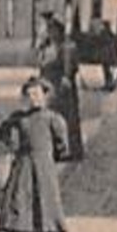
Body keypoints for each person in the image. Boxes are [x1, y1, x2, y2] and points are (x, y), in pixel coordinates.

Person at [0, 77, 70, 232]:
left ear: (45, 96)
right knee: (19, 206)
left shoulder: (53, 119)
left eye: (37, 94)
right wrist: (11, 144)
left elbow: (63, 146)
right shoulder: (20, 118)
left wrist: (52, 159)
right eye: (30, 94)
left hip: (45, 168)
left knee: (48, 208)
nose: (34, 98)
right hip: (23, 166)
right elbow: (0, 132)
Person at [38, 19, 84, 161]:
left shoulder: (67, 47)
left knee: (66, 119)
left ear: (59, 31)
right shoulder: (49, 47)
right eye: (49, 30)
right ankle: (58, 150)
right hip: (51, 89)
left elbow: (68, 68)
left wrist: (66, 78)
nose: (50, 33)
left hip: (62, 89)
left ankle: (70, 150)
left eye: (52, 30)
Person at [93, 19, 117, 91]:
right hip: (109, 54)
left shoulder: (103, 33)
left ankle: (108, 84)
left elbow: (99, 42)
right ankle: (109, 84)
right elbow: (114, 40)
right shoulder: (111, 34)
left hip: (105, 54)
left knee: (106, 70)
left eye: (103, 25)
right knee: (107, 70)